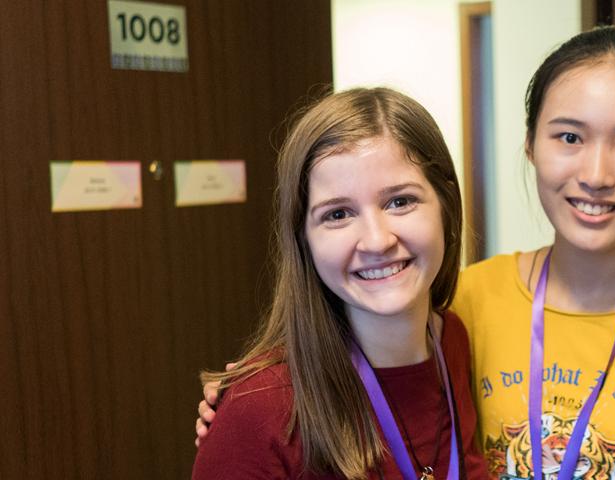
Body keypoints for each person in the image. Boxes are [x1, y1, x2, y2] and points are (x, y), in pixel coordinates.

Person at [197, 26, 615, 480]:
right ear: (530, 144)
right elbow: (331, 353)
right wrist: (246, 403)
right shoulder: (465, 301)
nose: (597, 174)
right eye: (569, 136)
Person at [191, 87, 489, 479]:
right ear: (304, 239)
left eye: (400, 202)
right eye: (338, 214)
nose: (378, 240)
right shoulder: (262, 406)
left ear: (446, 206)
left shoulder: (453, 342)